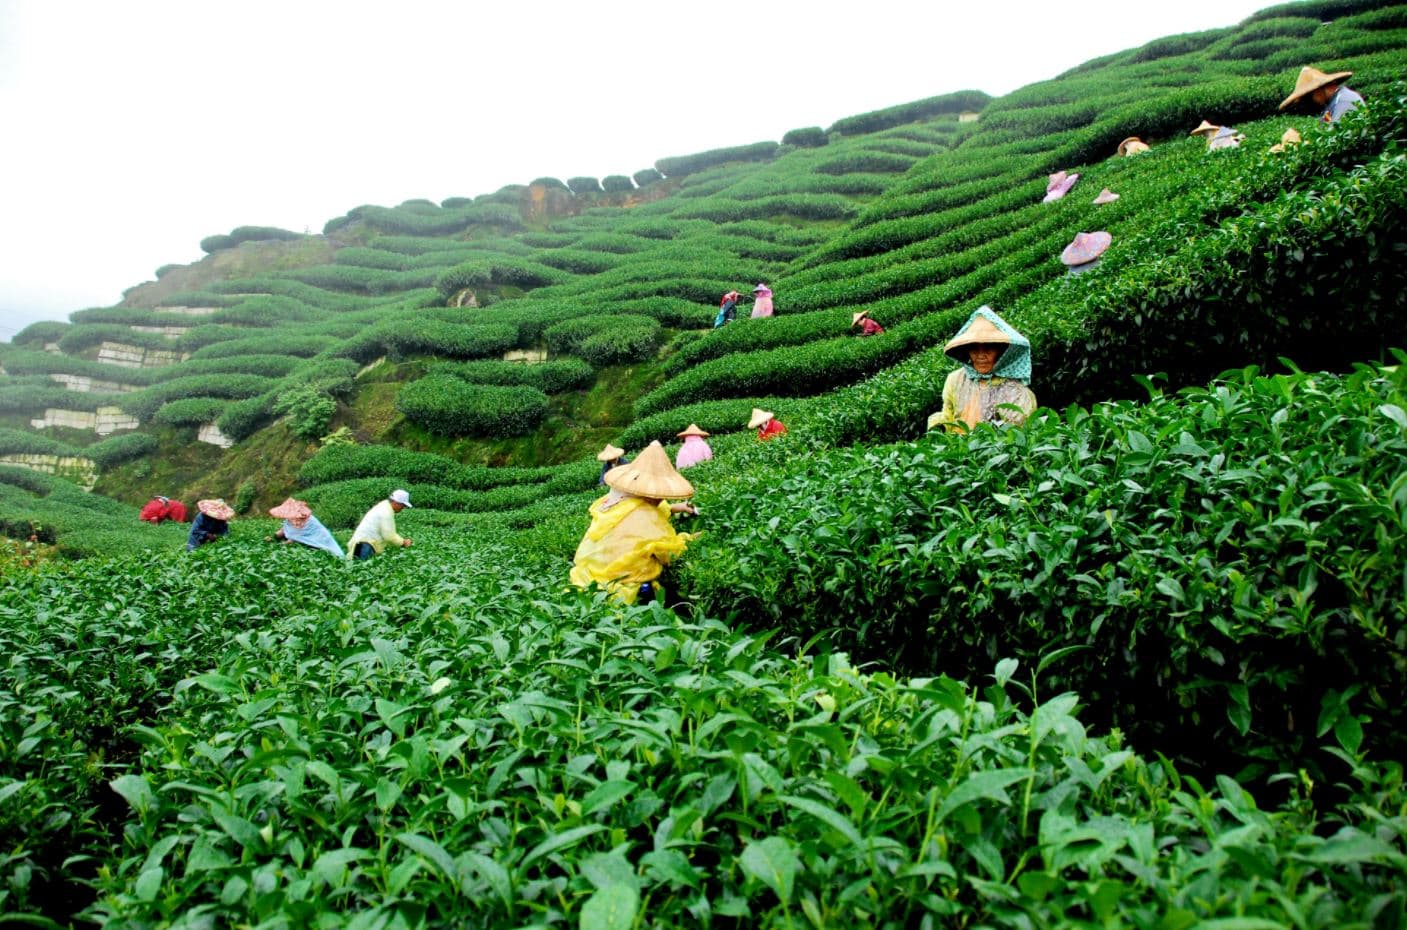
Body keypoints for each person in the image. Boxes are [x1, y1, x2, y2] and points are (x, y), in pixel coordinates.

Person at [570, 441, 699, 604]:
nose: (660, 497)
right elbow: (668, 554)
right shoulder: (646, 516)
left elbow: (650, 508)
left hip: (593, 573)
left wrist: (677, 507)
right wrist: (692, 540)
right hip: (623, 579)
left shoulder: (616, 502)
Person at [926, 306, 1037, 432]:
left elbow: (1016, 432)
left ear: (1001, 351)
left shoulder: (1015, 391)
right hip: (957, 448)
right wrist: (938, 427)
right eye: (974, 349)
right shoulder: (956, 379)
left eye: (988, 349)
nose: (981, 356)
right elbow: (948, 414)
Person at [1279, 66, 1362, 124]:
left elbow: (1334, 136)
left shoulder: (1344, 100)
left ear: (1318, 90)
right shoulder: (1332, 104)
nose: (1312, 101)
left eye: (1310, 96)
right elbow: (1324, 127)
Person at [348, 489, 413, 560]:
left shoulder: (384, 506)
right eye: (403, 506)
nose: (403, 508)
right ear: (396, 503)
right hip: (365, 545)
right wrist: (403, 542)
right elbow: (389, 536)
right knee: (360, 567)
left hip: (364, 544)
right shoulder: (386, 512)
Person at [268, 498, 344, 558]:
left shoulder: (306, 521)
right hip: (300, 539)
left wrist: (279, 546)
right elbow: (284, 530)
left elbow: (296, 538)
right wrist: (273, 537)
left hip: (319, 539)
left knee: (324, 552)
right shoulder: (291, 518)